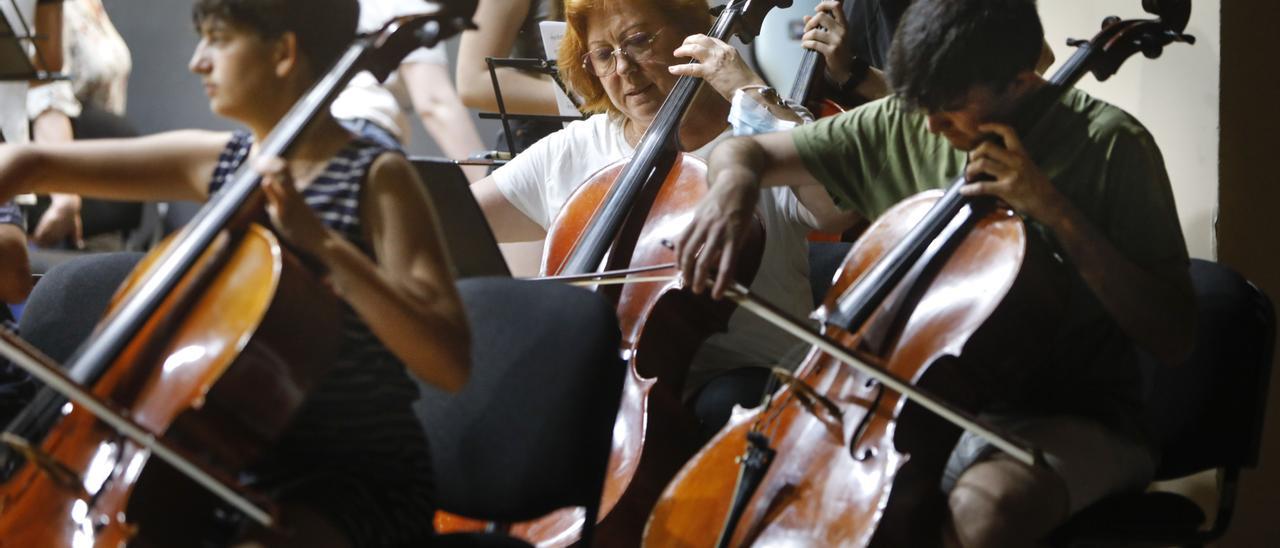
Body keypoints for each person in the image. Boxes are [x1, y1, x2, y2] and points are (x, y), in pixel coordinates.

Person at [675, 0, 1195, 545]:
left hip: (1072, 414)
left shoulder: (1112, 145)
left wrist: (1056, 211)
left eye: (949, 109)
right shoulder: (909, 117)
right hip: (921, 402)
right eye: (918, 104)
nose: (928, 126)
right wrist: (732, 191)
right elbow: (748, 153)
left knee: (985, 513)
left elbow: (1174, 334)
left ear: (1019, 79)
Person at [0, 0, 471, 545]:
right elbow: (26, 165)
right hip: (228, 465)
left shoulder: (378, 178)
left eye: (218, 40)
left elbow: (448, 362)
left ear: (283, 52)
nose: (198, 61)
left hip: (349, 479)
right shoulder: (224, 161)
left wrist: (321, 244)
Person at [471, 0, 858, 438]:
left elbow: (838, 206)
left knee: (722, 403)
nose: (624, 69)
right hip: (619, 394)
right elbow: (456, 224)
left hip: (750, 391)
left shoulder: (765, 131)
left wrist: (747, 90)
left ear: (692, 35)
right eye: (603, 54)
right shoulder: (578, 147)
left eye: (638, 41)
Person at [331, 0, 487, 181]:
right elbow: (435, 103)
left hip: (322, 127)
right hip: (361, 125)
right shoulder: (411, 5)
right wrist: (485, 180)